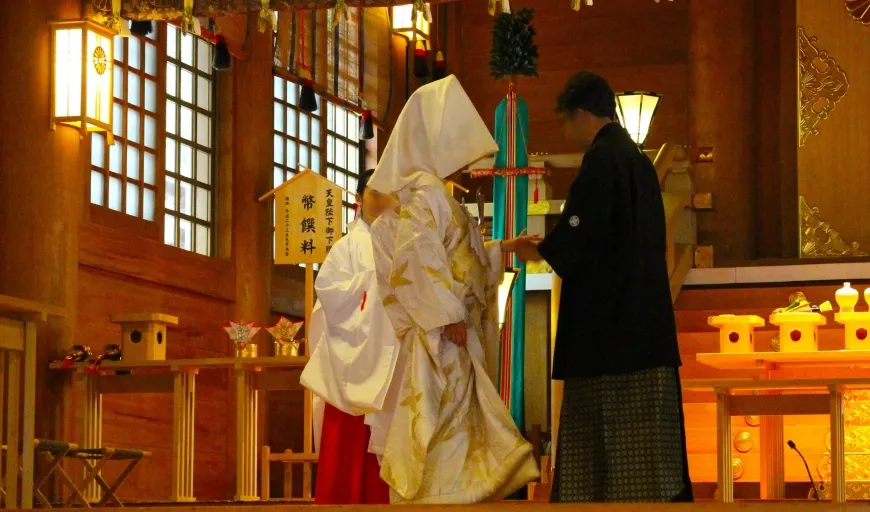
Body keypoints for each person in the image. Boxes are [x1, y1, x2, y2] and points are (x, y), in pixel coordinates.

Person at [513, 71, 693, 503]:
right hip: (644, 327)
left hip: (608, 335)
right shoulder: (637, 161)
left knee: (600, 448)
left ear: (580, 113)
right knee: (649, 455)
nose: (566, 132)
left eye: (565, 121)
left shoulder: (602, 159)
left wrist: (538, 250)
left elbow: (582, 232)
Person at [366, 75, 540, 504]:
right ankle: (443, 500)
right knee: (450, 419)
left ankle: (449, 498)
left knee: (456, 419)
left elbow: (452, 254)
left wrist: (504, 248)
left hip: (448, 327)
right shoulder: (423, 194)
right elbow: (417, 259)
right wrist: (448, 316)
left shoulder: (428, 194)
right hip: (442, 333)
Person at [300, 168, 402, 504]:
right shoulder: (346, 247)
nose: (383, 200)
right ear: (359, 199)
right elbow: (330, 296)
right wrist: (374, 280)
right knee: (350, 448)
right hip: (355, 359)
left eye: (388, 193)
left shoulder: (402, 245)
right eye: (374, 193)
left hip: (394, 358)